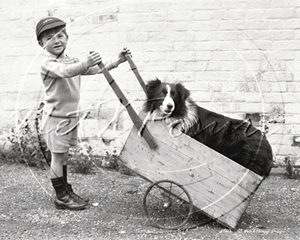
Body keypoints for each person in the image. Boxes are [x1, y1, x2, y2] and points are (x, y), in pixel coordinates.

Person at [36, 16, 131, 210]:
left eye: (60, 35)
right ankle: (61, 197)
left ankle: (65, 189)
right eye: (49, 38)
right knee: (57, 157)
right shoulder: (48, 63)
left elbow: (94, 69)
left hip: (70, 118)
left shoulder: (69, 59)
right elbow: (68, 71)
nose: (56, 40)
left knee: (63, 157)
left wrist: (117, 61)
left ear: (67, 38)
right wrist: (85, 62)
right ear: (41, 43)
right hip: (56, 119)